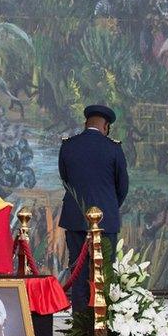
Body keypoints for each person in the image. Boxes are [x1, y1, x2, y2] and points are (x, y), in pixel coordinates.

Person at [58, 105, 129, 311]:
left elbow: (66, 180)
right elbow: (122, 187)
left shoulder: (68, 146)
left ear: (85, 122)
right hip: (105, 222)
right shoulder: (114, 148)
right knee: (103, 274)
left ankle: (80, 328)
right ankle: (102, 329)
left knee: (77, 273)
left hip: (74, 219)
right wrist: (108, 207)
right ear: (106, 126)